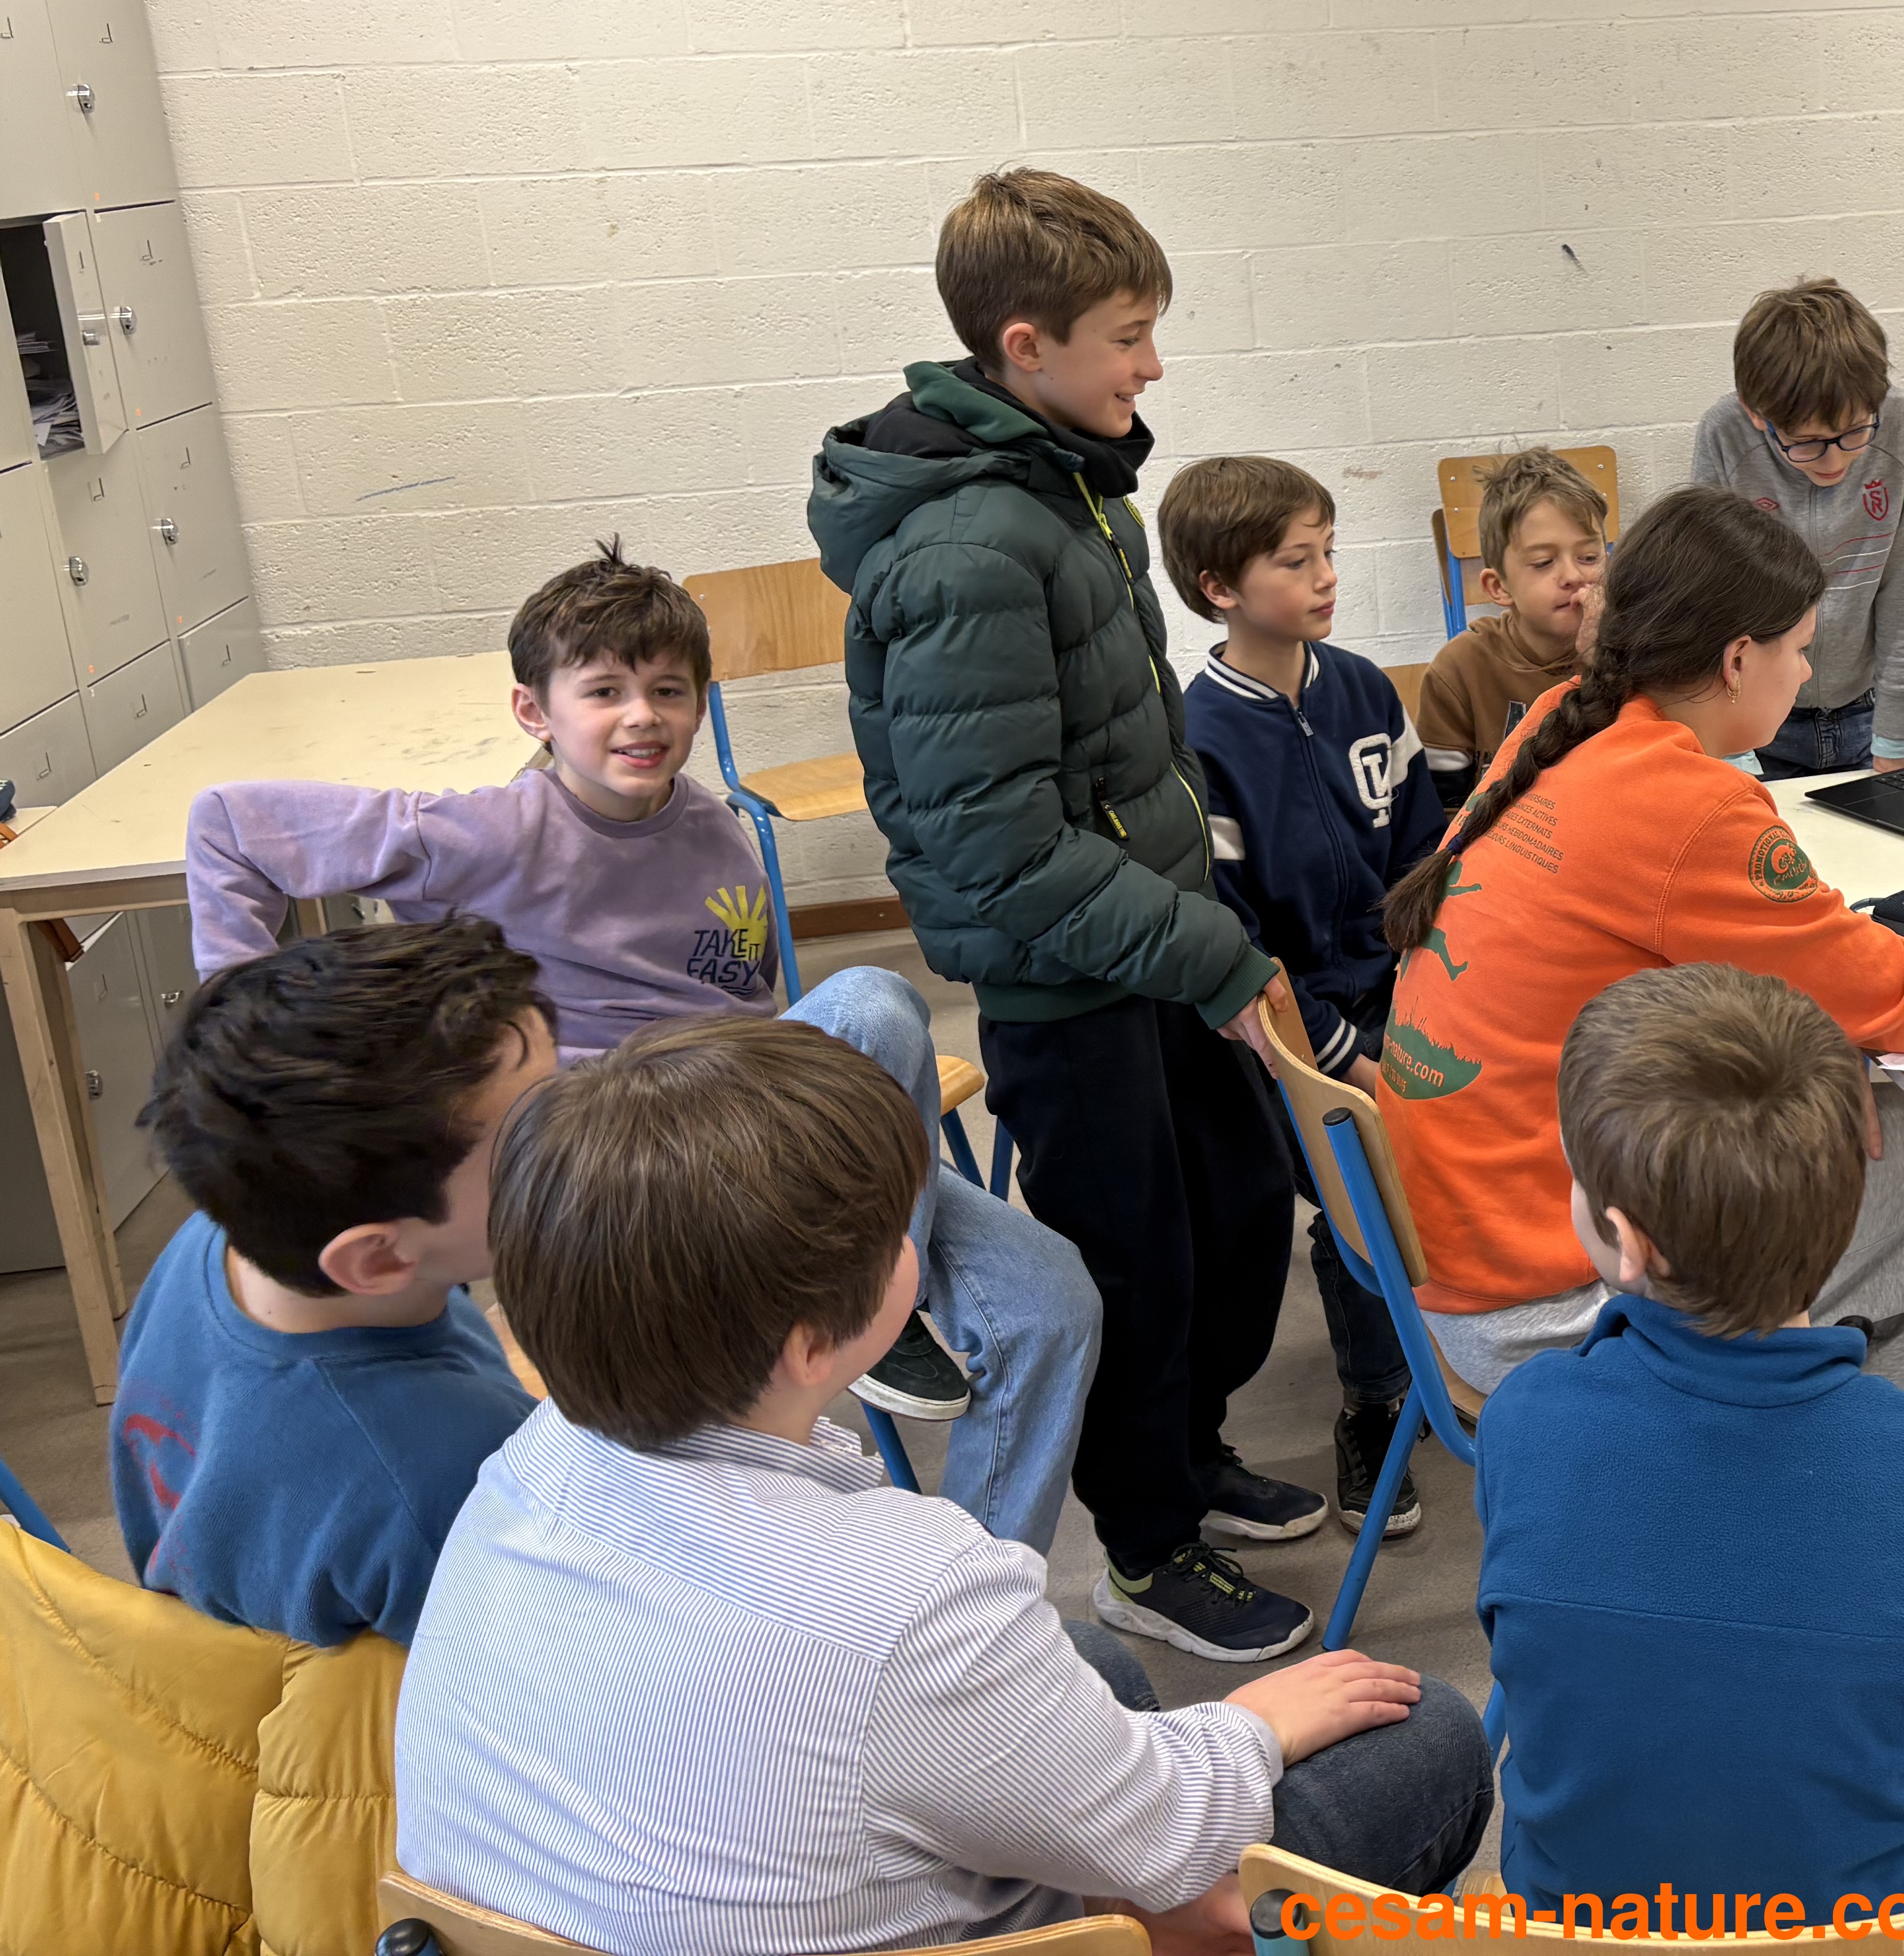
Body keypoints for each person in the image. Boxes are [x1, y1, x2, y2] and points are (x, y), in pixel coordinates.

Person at [394, 1016, 1494, 1955]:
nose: (926, 1235)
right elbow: (1172, 1827)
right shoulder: (913, 1590)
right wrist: (1247, 1729)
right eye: (907, 1226)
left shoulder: (531, 1458)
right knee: (1426, 1733)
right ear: (812, 1341)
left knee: (1093, 1662)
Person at [182, 540, 1100, 1563]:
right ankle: (859, 1302)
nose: (642, 716)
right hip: (615, 1155)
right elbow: (227, 824)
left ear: (700, 703)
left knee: (1050, 1297)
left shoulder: (714, 832)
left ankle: (975, 1593)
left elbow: (750, 1002)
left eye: (669, 689)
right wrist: (247, 1015)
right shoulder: (488, 832)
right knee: (875, 999)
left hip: (744, 1126)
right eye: (604, 690)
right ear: (535, 710)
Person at [1379, 485, 1904, 1426]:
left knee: (1867, 1113)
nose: (1809, 670)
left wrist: (1828, 1030)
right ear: (1738, 659)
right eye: (1802, 649)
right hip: (1551, 1302)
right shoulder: (1688, 805)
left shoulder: (1564, 719)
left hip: (1466, 1242)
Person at [810, 167, 1318, 1661]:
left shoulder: (1066, 483)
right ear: (1025, 347)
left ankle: (1189, 1457)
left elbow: (1119, 754)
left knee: (1236, 1210)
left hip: (1147, 939)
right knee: (1135, 1262)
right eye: (1128, 336)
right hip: (1065, 974)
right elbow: (1005, 849)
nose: (1153, 365)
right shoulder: (968, 548)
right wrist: (1211, 946)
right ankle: (1145, 1548)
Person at [1476, 965, 1904, 1943]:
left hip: (1581, 1924)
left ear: (1625, 1241)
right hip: (1872, 1926)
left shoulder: (1523, 1418)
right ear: (1848, 1210)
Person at [109, 918, 551, 1644]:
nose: (579, 1135)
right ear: (376, 1259)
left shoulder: (225, 1236)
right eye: (531, 1143)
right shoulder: (453, 1478)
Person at [1162, 452, 1444, 1539]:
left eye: (1327, 550)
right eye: (1295, 560)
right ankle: (1375, 1402)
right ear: (1218, 588)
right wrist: (1345, 1050)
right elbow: (1239, 939)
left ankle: (1468, 1341)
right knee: (1357, 1173)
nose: (1327, 576)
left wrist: (1427, 998)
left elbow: (1426, 858)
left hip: (1402, 993)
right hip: (1283, 1032)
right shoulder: (1199, 737)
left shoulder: (1365, 689)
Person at [1689, 280, 1904, 780]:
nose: (1835, 461)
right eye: (1807, 442)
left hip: (1868, 714)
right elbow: (1708, 604)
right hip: (1759, 726)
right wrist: (1733, 754)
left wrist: (1894, 743)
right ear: (1756, 413)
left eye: (1855, 433)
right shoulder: (1723, 435)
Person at [1417, 446, 1608, 810]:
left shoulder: (1633, 657)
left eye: (1589, 557)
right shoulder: (1459, 670)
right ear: (1499, 587)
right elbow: (1442, 813)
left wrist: (1602, 660)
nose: (1573, 576)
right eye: (1543, 562)